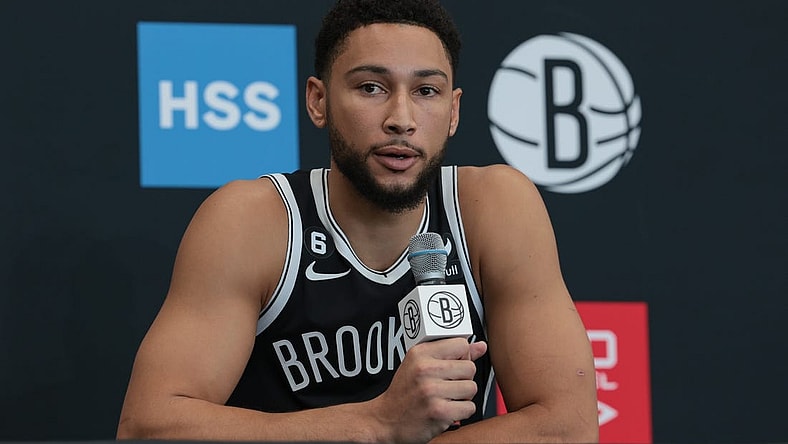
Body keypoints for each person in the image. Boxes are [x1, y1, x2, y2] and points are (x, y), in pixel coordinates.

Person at [116, 0, 598, 442]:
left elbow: (566, 429)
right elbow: (150, 427)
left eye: (426, 90)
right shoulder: (256, 220)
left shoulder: (492, 207)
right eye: (372, 87)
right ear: (318, 101)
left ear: (453, 112)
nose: (401, 118)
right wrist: (375, 425)